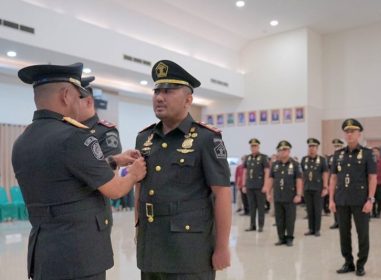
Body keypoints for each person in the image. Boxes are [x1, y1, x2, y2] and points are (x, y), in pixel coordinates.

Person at [12, 63, 147, 280]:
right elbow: (114, 190)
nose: (79, 101)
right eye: (78, 95)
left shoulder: (22, 141)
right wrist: (134, 173)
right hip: (78, 256)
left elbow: (67, 174)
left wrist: (112, 160)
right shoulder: (75, 136)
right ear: (66, 95)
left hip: (43, 254)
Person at [135, 60, 231, 279]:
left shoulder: (207, 138)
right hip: (151, 247)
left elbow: (222, 193)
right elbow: (140, 187)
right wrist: (138, 229)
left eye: (168, 91)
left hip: (189, 251)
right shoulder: (144, 138)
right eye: (157, 91)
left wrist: (222, 247)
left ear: (189, 99)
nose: (159, 97)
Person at [329, 118, 376, 277]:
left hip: (361, 201)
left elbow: (372, 178)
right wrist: (331, 199)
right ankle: (348, 262)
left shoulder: (367, 154)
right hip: (342, 200)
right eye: (347, 132)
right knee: (344, 233)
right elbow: (333, 178)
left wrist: (370, 199)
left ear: (359, 134)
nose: (349, 134)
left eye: (353, 131)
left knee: (362, 233)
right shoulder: (338, 154)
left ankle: (361, 264)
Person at [78, 76, 124, 216]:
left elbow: (108, 174)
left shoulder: (105, 131)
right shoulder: (65, 129)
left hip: (92, 212)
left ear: (88, 101)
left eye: (75, 100)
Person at [266, 140, 303, 246]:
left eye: (285, 150)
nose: (283, 152)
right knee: (279, 219)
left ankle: (290, 238)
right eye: (280, 150)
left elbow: (299, 180)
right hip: (278, 196)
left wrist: (299, 194)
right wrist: (268, 193)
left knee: (290, 219)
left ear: (289, 151)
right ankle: (281, 238)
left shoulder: (295, 164)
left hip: (291, 197)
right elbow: (271, 179)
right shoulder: (275, 165)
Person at [301, 138, 329, 237]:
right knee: (309, 209)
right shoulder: (304, 159)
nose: (311, 149)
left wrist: (325, 187)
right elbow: (303, 174)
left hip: (318, 188)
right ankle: (311, 228)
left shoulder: (322, 160)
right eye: (310, 147)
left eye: (313, 147)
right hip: (307, 188)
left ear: (317, 148)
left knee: (317, 209)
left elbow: (325, 173)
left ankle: (317, 229)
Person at [243, 138, 270, 232]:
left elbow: (267, 172)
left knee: (261, 207)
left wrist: (266, 185)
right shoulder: (248, 157)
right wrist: (244, 185)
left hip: (260, 186)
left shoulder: (263, 157)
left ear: (258, 147)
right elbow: (245, 172)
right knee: (252, 206)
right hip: (250, 186)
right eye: (252, 146)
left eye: (255, 146)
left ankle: (261, 225)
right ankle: (252, 225)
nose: (253, 148)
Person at [328, 138, 344, 229]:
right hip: (333, 183)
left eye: (338, 146)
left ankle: (341, 221)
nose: (336, 148)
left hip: (341, 183)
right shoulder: (331, 157)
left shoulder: (344, 156)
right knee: (334, 202)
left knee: (341, 204)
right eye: (335, 146)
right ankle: (336, 221)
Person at [371, 147, 381, 218]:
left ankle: (378, 212)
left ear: (379, 153)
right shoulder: (370, 161)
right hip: (371, 184)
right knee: (372, 198)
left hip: (379, 183)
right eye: (373, 151)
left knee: (379, 199)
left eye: (376, 151)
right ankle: (373, 212)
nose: (375, 153)